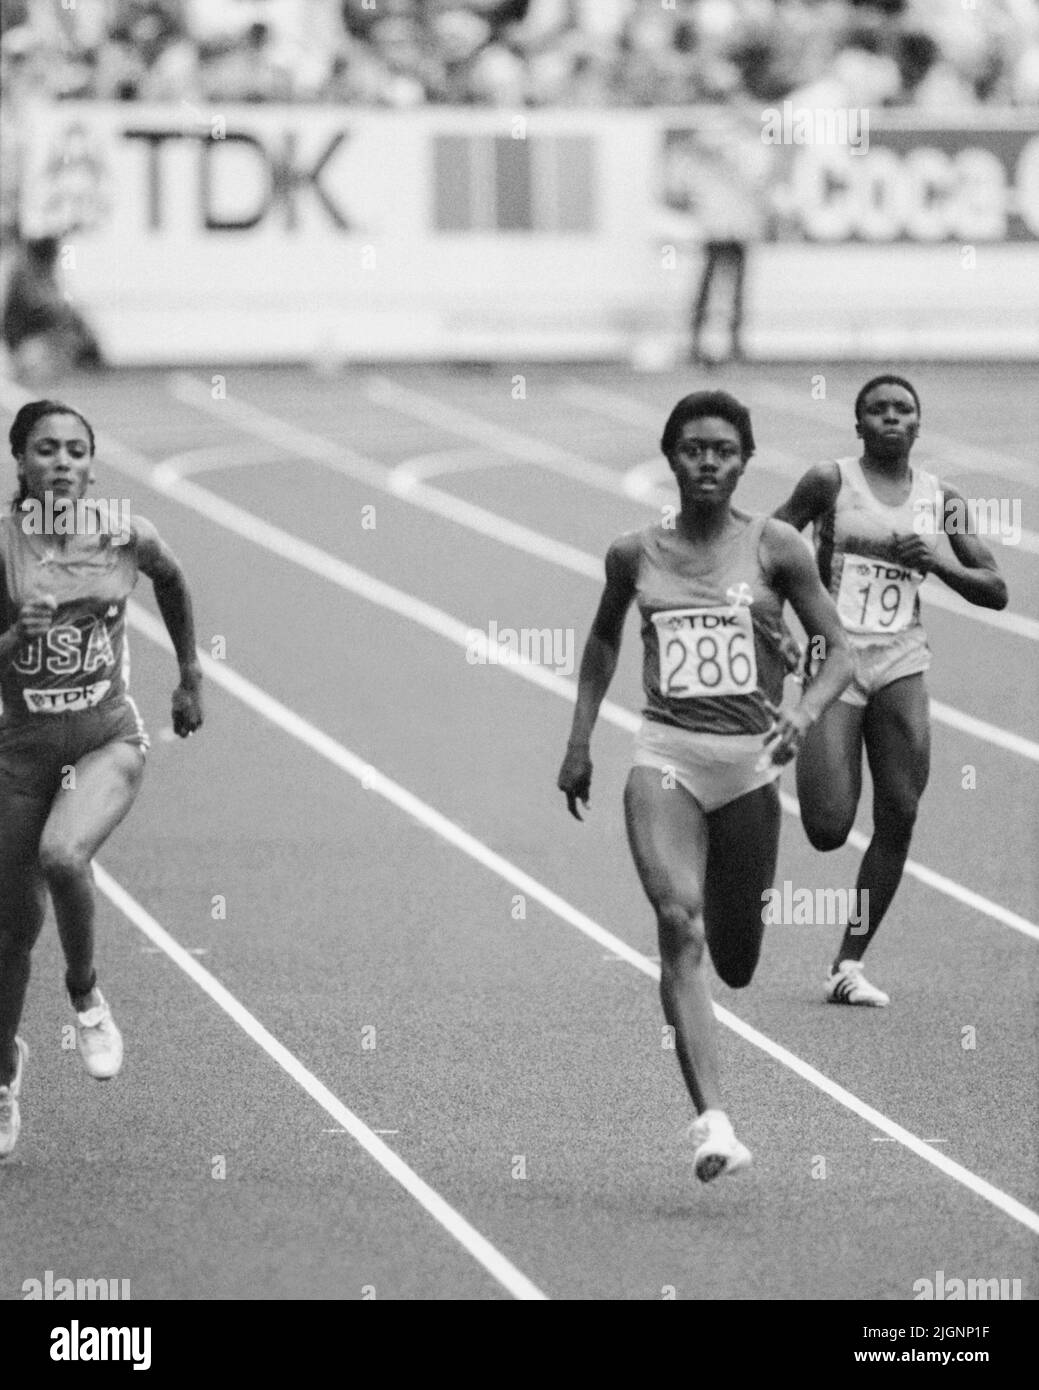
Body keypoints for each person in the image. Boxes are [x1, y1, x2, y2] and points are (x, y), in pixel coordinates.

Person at [558, 391, 852, 1181]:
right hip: (667, 760)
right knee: (677, 925)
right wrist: (580, 738)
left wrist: (805, 710)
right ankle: (714, 1122)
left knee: (738, 959)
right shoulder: (633, 553)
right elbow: (601, 637)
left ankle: (721, 1012)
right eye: (693, 448)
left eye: (723, 449)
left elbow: (838, 646)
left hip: (750, 768)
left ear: (744, 459)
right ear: (670, 457)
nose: (708, 462)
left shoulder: (776, 546)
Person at [0, 400, 204, 1158]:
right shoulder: (2, 548)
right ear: (20, 461)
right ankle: (3, 1077)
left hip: (106, 739)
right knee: (11, 935)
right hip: (20, 750)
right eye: (45, 449)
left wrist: (190, 676)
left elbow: (174, 582)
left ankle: (85, 993)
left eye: (75, 450)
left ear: (91, 464)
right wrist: (11, 639)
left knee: (63, 856)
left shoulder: (124, 531)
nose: (61, 462)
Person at [772, 375, 1008, 1007]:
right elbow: (767, 544)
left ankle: (847, 963)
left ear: (918, 425)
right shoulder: (829, 481)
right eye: (877, 410)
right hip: (834, 654)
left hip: (902, 656)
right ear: (859, 426)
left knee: (900, 811)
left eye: (903, 410)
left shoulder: (942, 498)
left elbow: (996, 589)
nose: (891, 419)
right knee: (826, 827)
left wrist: (935, 562)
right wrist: (777, 625)